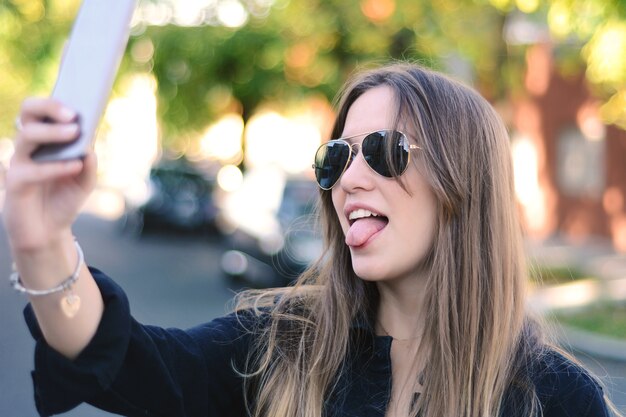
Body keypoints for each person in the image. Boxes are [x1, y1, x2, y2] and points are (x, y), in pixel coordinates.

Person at [3, 62, 620, 417]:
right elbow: (125, 360)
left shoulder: (555, 399)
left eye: (382, 152)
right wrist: (42, 240)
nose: (347, 179)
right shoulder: (281, 346)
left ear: (464, 183)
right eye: (336, 157)